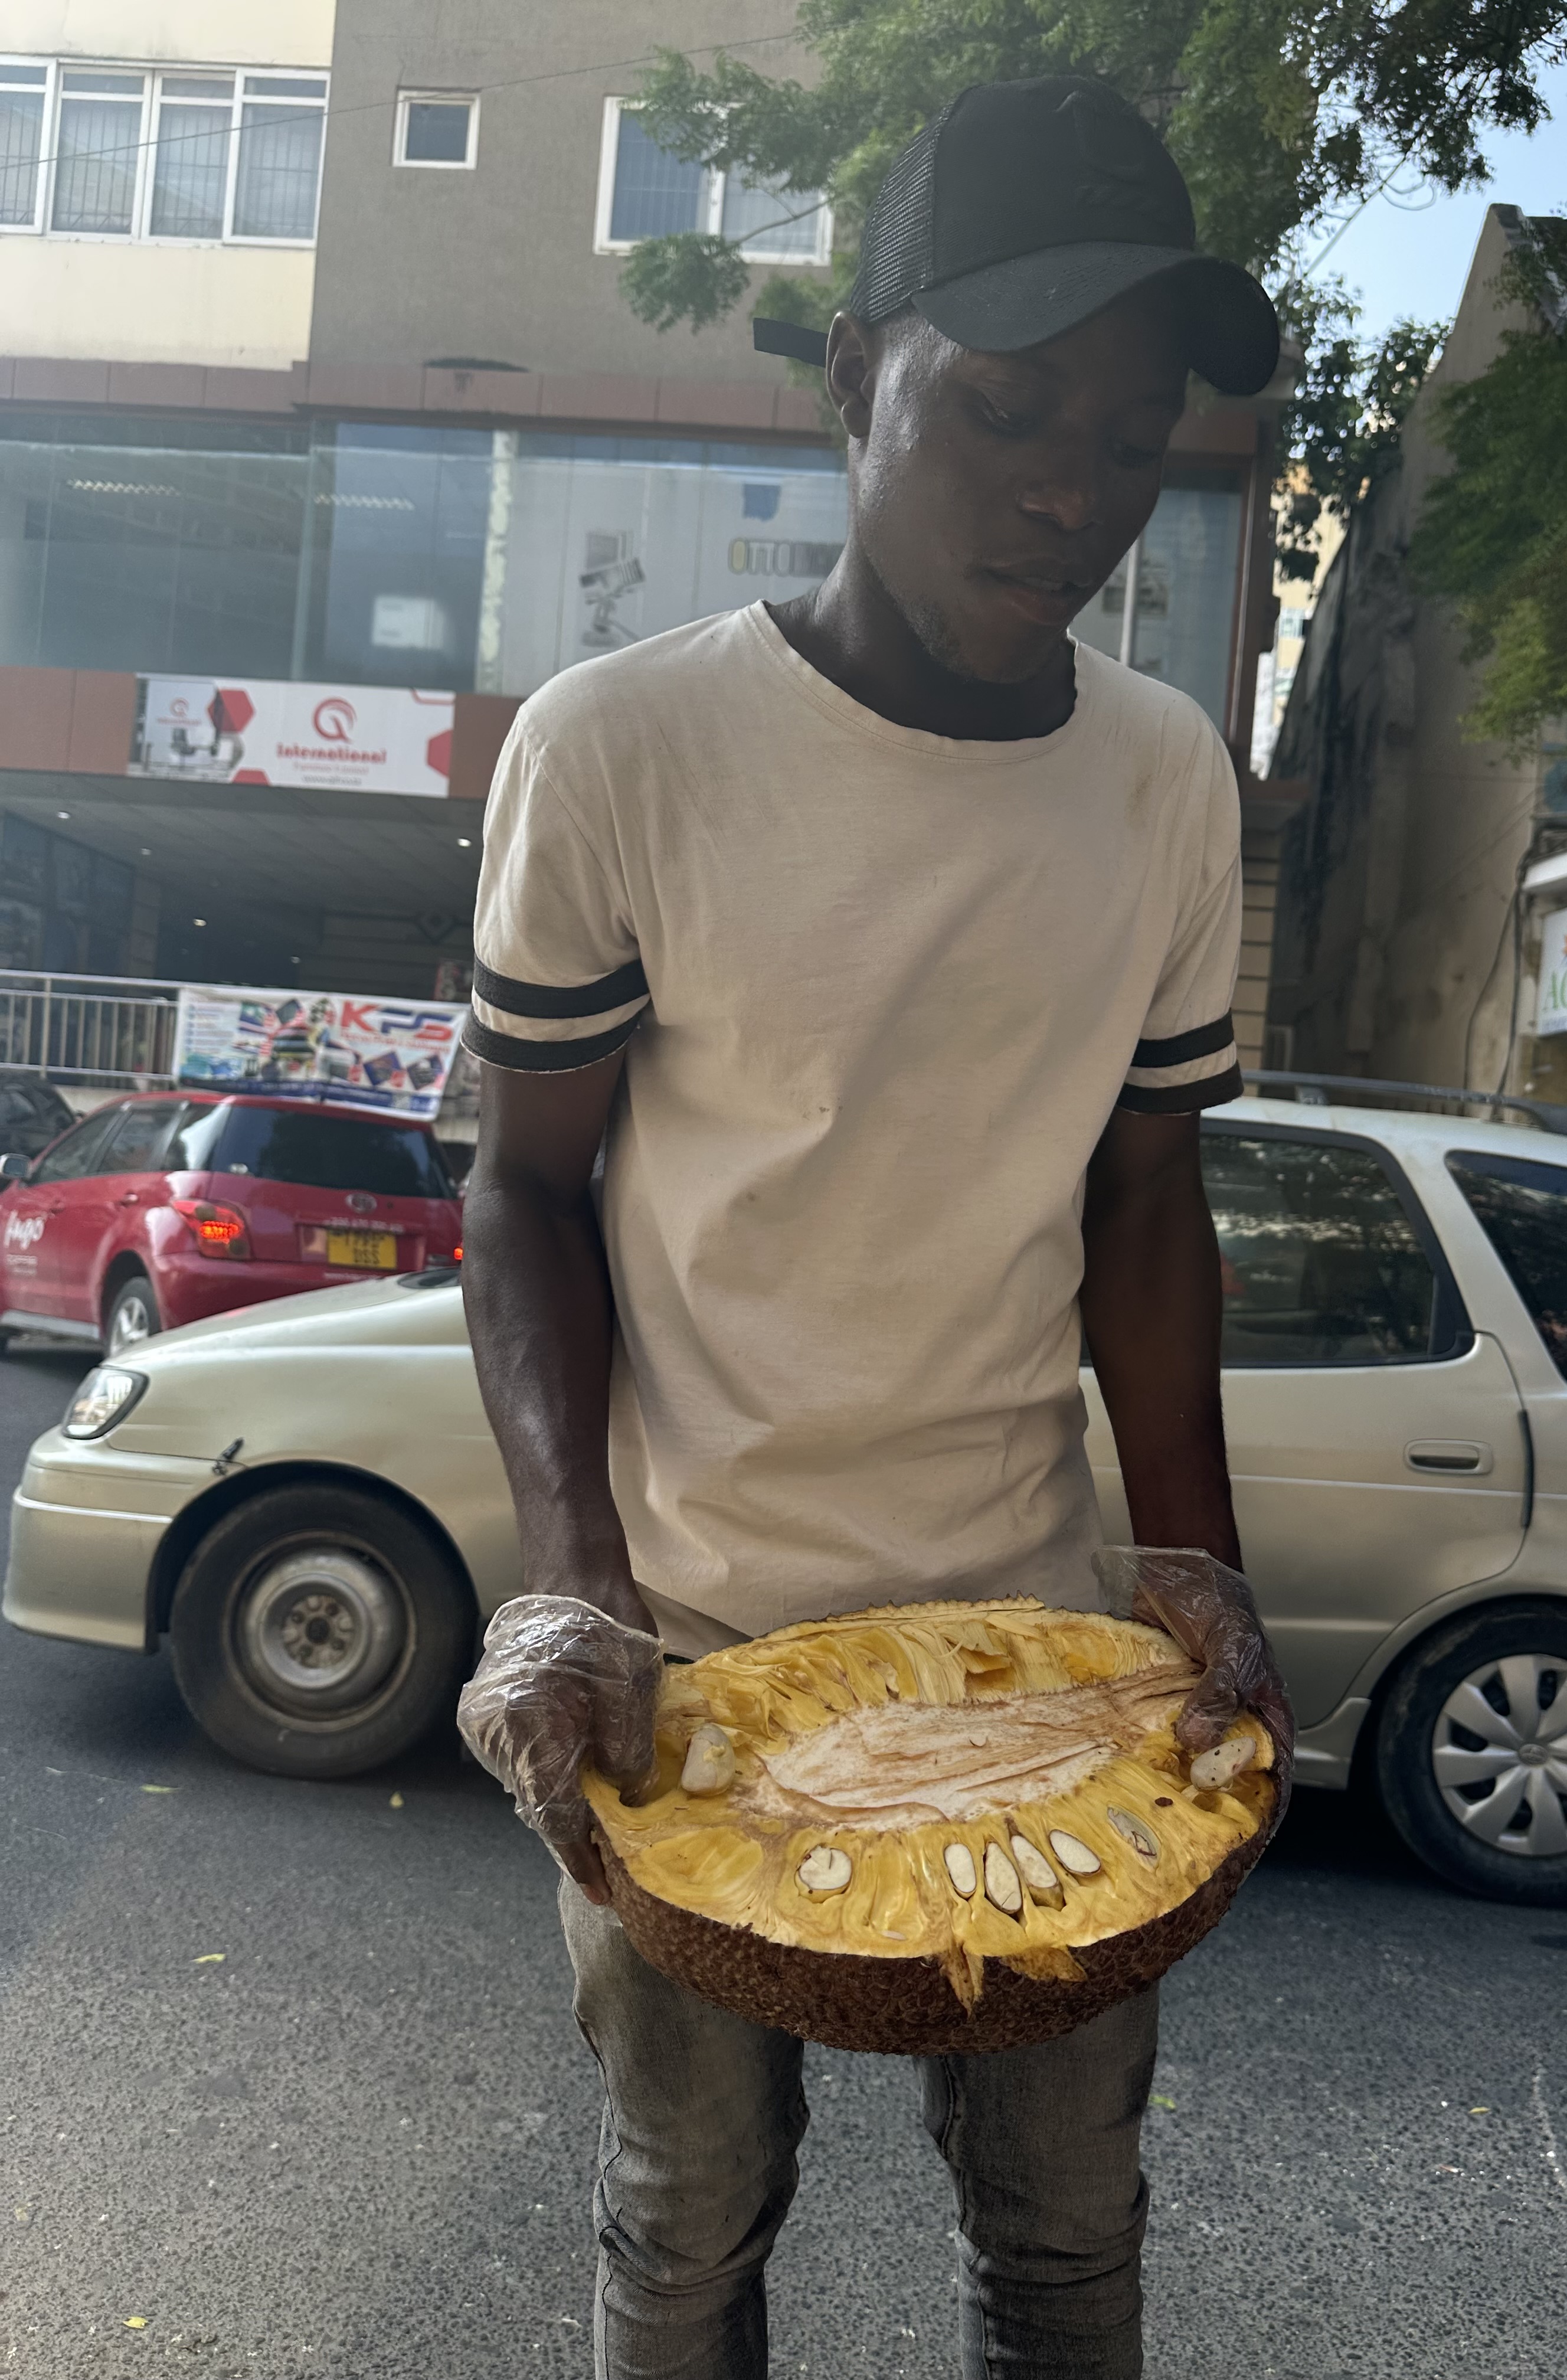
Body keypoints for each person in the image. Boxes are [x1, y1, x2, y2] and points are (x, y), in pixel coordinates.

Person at [456, 74, 1294, 2380]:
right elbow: (524, 1189)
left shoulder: (1164, 778)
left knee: (1067, 2243)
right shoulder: (625, 748)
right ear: (854, 381)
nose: (1072, 489)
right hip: (689, 1656)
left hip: (1036, 1652)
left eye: (1129, 436)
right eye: (1005, 409)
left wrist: (1194, 1561)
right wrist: (571, 1579)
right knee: (685, 2228)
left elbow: (1148, 1196)